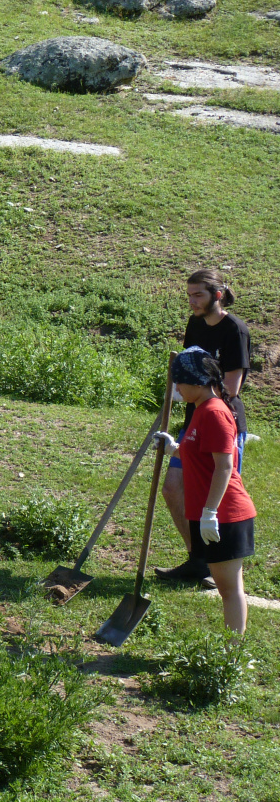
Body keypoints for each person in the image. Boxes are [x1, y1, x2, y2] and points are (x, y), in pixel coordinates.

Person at [156, 269, 251, 586]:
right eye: (189, 295)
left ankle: (220, 565)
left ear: (217, 296)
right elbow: (186, 363)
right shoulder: (195, 324)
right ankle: (199, 560)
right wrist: (177, 390)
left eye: (198, 295)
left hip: (221, 420)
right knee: (173, 487)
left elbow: (232, 387)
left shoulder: (234, 330)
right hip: (193, 417)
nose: (192, 301)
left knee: (217, 493)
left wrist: (198, 394)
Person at [153, 348, 256, 636]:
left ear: (197, 381)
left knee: (229, 589)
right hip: (209, 512)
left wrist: (211, 512)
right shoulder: (201, 409)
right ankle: (228, 654)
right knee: (225, 587)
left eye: (180, 383)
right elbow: (200, 455)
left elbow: (225, 466)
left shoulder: (215, 413)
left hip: (226, 514)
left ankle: (230, 658)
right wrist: (174, 447)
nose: (177, 390)